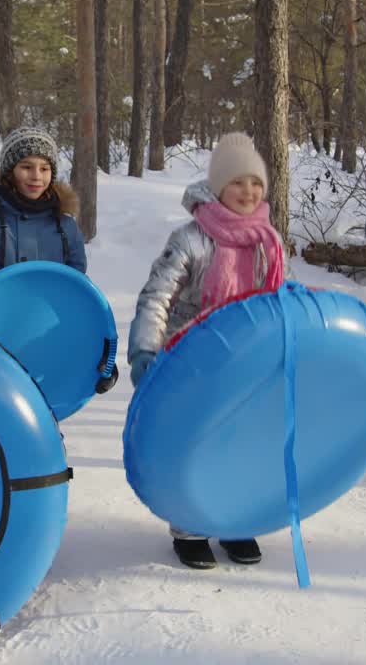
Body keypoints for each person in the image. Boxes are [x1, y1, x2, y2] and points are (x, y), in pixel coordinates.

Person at [127, 132, 287, 570]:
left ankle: (235, 518)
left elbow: (274, 301)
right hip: (191, 360)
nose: (248, 192)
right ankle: (190, 526)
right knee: (192, 442)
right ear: (217, 187)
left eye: (255, 184)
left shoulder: (267, 241)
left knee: (241, 441)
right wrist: (146, 351)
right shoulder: (191, 239)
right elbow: (157, 296)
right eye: (237, 183)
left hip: (247, 360)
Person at [0, 126, 87, 290]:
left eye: (44, 169)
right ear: (10, 171)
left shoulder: (65, 225)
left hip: (47, 314)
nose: (36, 176)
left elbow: (76, 284)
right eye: (26, 167)